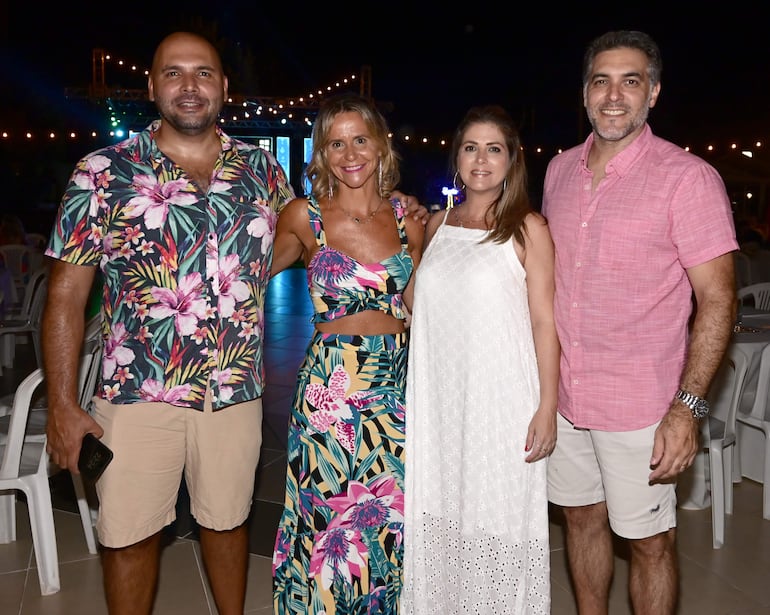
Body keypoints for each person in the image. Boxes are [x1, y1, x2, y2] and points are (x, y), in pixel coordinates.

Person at [41, 31, 296, 615]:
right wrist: (61, 404)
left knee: (228, 523)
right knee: (128, 537)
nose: (189, 86)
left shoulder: (261, 171)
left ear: (224, 88)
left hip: (233, 392)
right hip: (137, 394)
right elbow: (65, 296)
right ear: (152, 85)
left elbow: (299, 237)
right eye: (174, 73)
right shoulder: (103, 172)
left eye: (203, 73)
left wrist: (248, 275)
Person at [542, 30, 738, 615]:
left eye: (631, 81)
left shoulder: (687, 178)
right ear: (584, 93)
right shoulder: (558, 172)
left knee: (650, 543)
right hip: (568, 398)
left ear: (653, 93)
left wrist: (688, 409)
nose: (614, 95)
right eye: (601, 80)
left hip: (642, 407)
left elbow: (719, 302)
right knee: (580, 519)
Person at [401, 105, 559, 614]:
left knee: (494, 513)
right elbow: (411, 298)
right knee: (443, 506)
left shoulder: (529, 227)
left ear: (512, 160)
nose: (482, 159)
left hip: (502, 400)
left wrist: (548, 405)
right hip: (441, 401)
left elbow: (544, 321)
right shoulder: (437, 221)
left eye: (495, 149)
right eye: (471, 147)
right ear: (457, 157)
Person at [270, 93, 425, 614]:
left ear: (381, 145)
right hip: (331, 390)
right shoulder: (302, 216)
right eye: (336, 143)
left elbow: (422, 299)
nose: (350, 153)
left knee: (389, 514)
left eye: (361, 139)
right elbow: (242, 278)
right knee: (328, 514)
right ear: (321, 154)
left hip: (396, 384)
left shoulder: (408, 215)